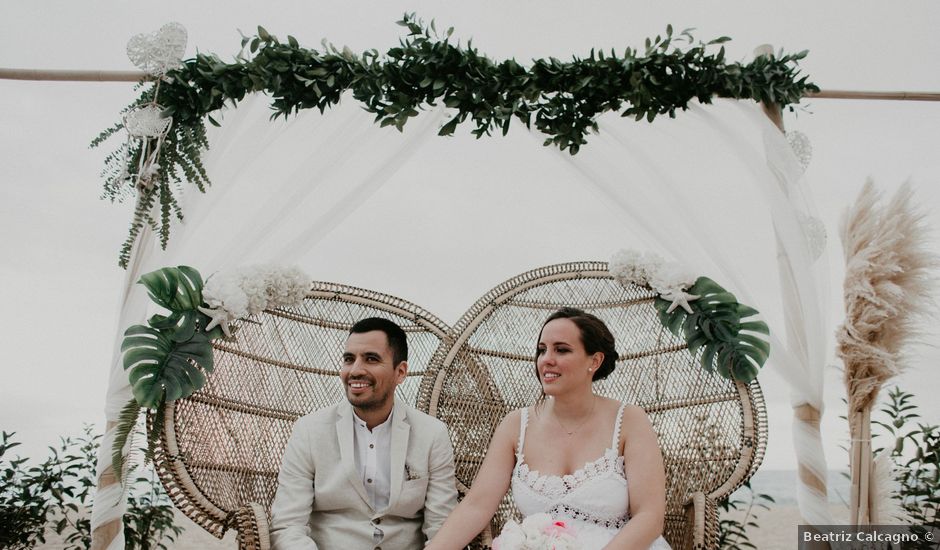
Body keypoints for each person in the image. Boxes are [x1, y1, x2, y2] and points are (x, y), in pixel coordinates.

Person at [427, 307, 671, 550]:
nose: (546, 360)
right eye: (542, 350)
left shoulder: (629, 420)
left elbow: (649, 517)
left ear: (595, 361)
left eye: (561, 350)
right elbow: (476, 506)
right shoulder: (515, 425)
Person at [270, 317, 459, 550]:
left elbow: (442, 528)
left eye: (371, 359)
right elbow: (288, 526)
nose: (355, 370)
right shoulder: (309, 430)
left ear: (400, 372)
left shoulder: (432, 434)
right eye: (349, 359)